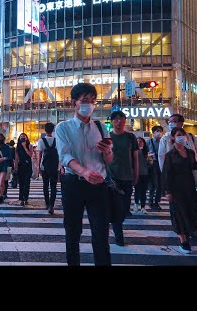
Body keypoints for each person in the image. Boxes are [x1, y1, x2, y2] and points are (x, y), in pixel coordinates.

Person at [55, 83, 113, 266]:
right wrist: (84, 172)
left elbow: (109, 160)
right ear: (74, 102)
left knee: (101, 233)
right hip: (74, 183)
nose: (90, 105)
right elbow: (65, 156)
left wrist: (108, 152)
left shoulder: (101, 127)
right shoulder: (63, 128)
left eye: (93, 101)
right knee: (73, 232)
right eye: (85, 101)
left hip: (99, 185)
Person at [158, 113, 197, 239]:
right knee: (178, 209)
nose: (170, 123)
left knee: (192, 206)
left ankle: (194, 229)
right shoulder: (166, 138)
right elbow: (161, 158)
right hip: (175, 180)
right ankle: (181, 232)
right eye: (169, 121)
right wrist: (167, 185)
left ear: (181, 123)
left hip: (191, 178)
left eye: (173, 121)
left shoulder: (190, 137)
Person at [161, 127, 197, 254]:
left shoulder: (190, 153)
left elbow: (194, 167)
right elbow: (166, 173)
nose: (181, 137)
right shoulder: (170, 155)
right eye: (178, 135)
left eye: (183, 135)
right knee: (179, 214)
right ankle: (183, 241)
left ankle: (187, 235)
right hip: (176, 188)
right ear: (172, 137)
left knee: (189, 212)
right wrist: (167, 191)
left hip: (189, 186)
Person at [107, 110, 139, 247]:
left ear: (125, 121)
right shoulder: (107, 137)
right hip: (112, 178)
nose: (119, 121)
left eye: (121, 119)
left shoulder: (131, 137)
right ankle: (118, 235)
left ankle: (118, 223)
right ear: (112, 122)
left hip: (127, 177)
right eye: (116, 119)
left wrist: (136, 174)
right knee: (116, 207)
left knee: (125, 208)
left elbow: (136, 158)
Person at [36, 122, 59, 214]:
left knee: (45, 185)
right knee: (53, 186)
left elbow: (39, 154)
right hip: (54, 166)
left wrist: (38, 166)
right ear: (53, 130)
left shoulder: (41, 141)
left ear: (45, 130)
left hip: (44, 166)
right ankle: (52, 205)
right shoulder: (56, 140)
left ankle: (47, 203)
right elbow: (59, 154)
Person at [14, 133, 33, 206]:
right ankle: (21, 199)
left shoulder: (29, 145)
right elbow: (16, 158)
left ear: (27, 138)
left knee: (27, 182)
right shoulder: (17, 147)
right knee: (21, 183)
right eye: (21, 137)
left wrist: (25, 147)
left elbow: (30, 155)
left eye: (24, 137)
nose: (22, 138)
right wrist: (15, 167)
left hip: (28, 165)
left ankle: (26, 198)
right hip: (20, 165)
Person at [147, 125, 163, 210]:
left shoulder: (163, 142)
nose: (159, 133)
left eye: (160, 131)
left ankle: (156, 202)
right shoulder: (149, 142)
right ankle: (150, 200)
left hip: (161, 165)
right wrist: (149, 156)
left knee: (160, 184)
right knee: (153, 184)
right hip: (152, 164)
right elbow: (145, 153)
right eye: (157, 131)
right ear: (153, 133)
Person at [134, 137, 150, 214]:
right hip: (137, 174)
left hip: (145, 174)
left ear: (143, 143)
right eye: (137, 141)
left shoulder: (146, 152)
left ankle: (143, 207)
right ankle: (136, 204)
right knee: (137, 190)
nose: (139, 143)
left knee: (143, 191)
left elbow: (149, 164)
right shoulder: (134, 151)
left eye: (140, 141)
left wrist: (150, 160)